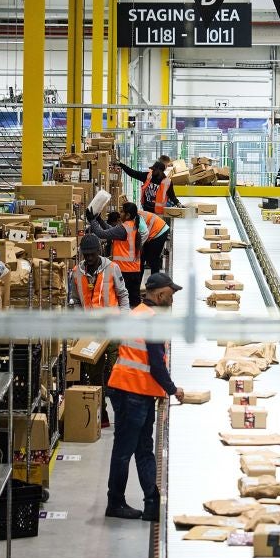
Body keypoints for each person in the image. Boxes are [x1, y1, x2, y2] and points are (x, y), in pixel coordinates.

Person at [105, 272, 186, 521]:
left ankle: (152, 503)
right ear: (160, 294)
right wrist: (173, 390)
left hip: (137, 392)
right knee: (125, 451)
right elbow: (156, 364)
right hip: (131, 393)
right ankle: (116, 502)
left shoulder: (139, 312)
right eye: (170, 296)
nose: (172, 302)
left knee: (143, 450)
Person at [70, 234, 130, 427]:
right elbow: (76, 302)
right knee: (95, 376)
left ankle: (121, 414)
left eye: (92, 254)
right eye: (85, 255)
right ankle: (102, 414)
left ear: (100, 251)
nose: (88, 258)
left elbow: (123, 295)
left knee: (115, 374)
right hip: (91, 334)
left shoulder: (112, 268)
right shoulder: (76, 273)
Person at [86, 203, 143, 307]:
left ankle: (124, 320)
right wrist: (99, 220)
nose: (119, 214)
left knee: (123, 300)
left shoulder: (123, 228)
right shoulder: (132, 225)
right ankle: (137, 320)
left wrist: (92, 220)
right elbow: (110, 230)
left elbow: (102, 234)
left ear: (128, 215)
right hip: (135, 270)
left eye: (122, 212)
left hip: (125, 271)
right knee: (134, 301)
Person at [117, 158, 181, 214]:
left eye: (154, 170)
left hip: (159, 212)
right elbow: (133, 173)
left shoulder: (167, 182)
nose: (152, 171)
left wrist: (178, 203)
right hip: (146, 210)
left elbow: (172, 196)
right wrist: (121, 164)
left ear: (160, 171)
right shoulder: (147, 176)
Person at [137, 208, 170, 274]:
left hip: (159, 231)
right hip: (155, 229)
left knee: (153, 258)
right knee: (143, 258)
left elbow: (144, 233)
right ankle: (140, 281)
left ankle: (155, 281)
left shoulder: (136, 217)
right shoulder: (133, 214)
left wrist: (139, 245)